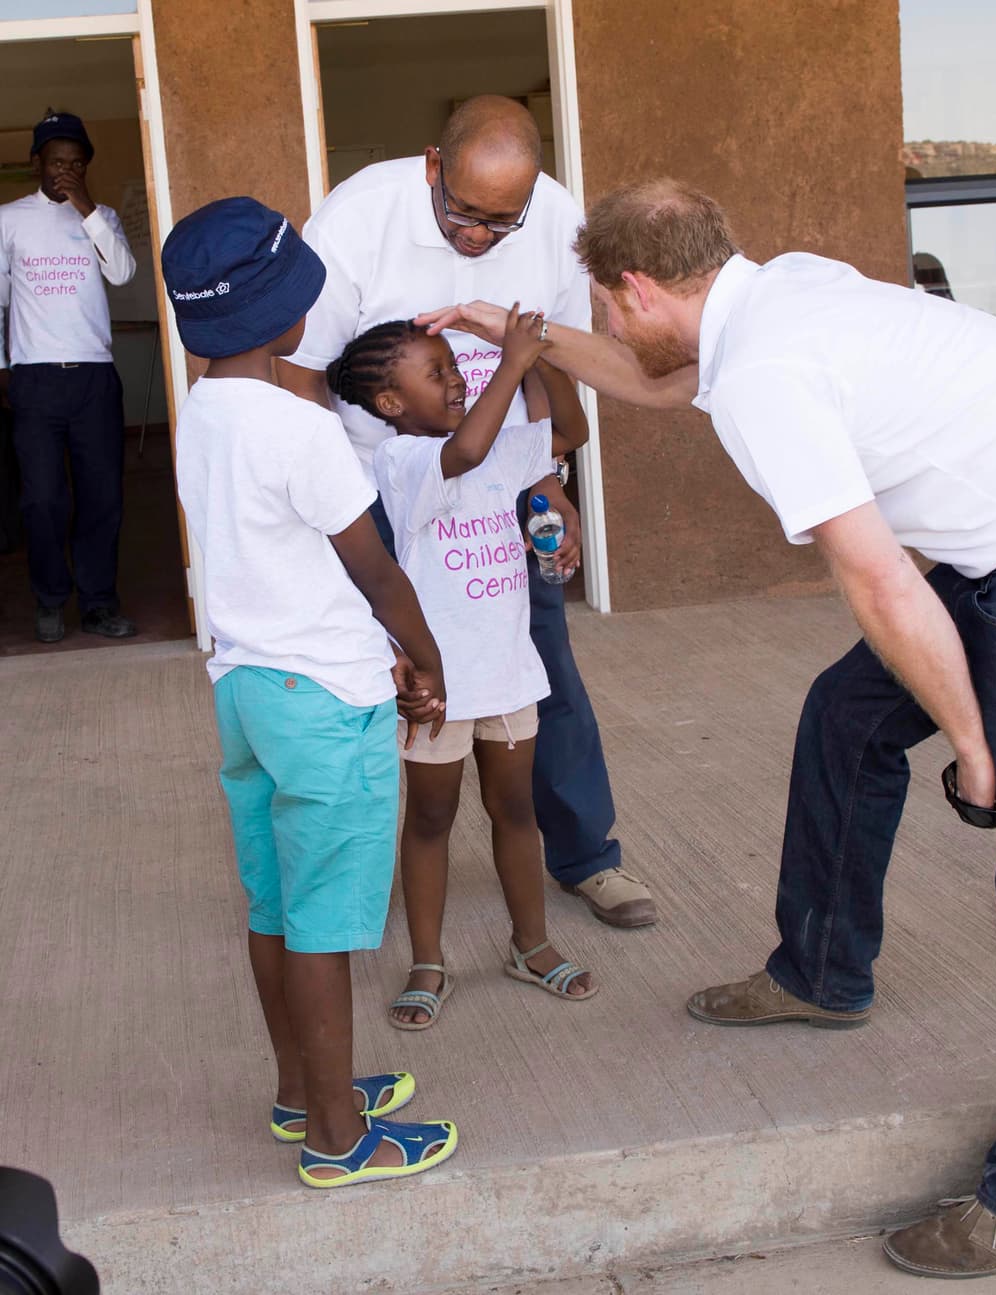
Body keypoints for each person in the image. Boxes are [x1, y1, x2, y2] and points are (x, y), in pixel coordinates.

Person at [421, 179, 996, 1278]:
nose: (611, 324)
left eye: (603, 303)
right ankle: (821, 969)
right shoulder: (781, 291)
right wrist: (523, 338)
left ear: (635, 284)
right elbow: (648, 370)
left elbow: (878, 582)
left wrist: (973, 744)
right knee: (845, 716)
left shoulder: (768, 371)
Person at [277, 95, 655, 931]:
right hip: (374, 491)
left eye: (501, 223)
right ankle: (359, 874)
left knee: (538, 659)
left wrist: (548, 478)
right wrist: (336, 510)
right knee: (369, 679)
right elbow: (300, 372)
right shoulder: (355, 220)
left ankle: (588, 857)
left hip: (499, 483)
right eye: (464, 216)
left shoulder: (555, 218)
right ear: (432, 165)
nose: (480, 237)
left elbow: (551, 362)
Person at [162, 195, 458, 1189]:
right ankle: (337, 1135)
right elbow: (374, 570)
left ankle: (302, 1090)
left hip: (246, 689)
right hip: (328, 700)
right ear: (278, 313)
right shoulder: (301, 428)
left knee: (276, 906)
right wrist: (425, 657)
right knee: (328, 924)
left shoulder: (198, 417)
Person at [327, 307, 598, 1028]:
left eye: (456, 368)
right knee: (432, 817)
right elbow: (468, 452)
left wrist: (538, 359)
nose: (455, 381)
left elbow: (571, 431)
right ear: (390, 405)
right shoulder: (404, 459)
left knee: (516, 810)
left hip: (507, 670)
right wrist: (508, 359)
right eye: (438, 373)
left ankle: (530, 944)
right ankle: (428, 959)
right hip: (438, 686)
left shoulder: (495, 445)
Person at [0, 111, 138, 643]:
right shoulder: (10, 220)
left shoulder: (99, 215)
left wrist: (84, 208)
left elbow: (122, 272)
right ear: (37, 161)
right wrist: (4, 370)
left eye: (76, 164)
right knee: (41, 498)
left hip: (94, 376)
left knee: (102, 496)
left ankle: (100, 603)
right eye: (57, 162)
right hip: (35, 378)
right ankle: (51, 598)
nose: (65, 171)